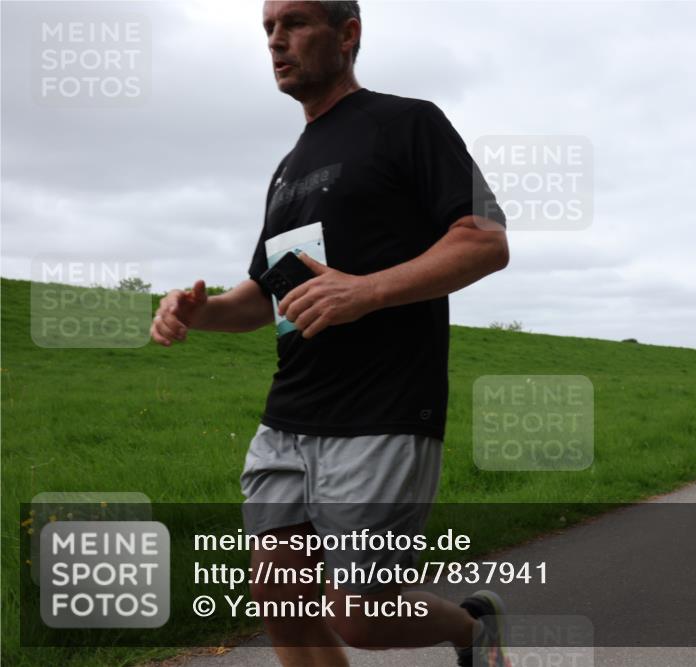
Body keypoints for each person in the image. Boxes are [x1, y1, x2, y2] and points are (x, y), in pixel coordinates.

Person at [151, 3, 511, 666]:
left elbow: (485, 244)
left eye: (294, 22)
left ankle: (468, 626)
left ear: (348, 34)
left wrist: (365, 289)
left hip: (383, 411)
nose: (276, 40)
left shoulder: (407, 123)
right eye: (266, 28)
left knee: (360, 618)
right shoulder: (286, 170)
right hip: (289, 415)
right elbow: (263, 295)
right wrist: (199, 311)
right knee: (279, 596)